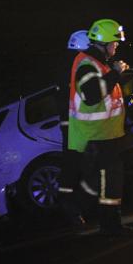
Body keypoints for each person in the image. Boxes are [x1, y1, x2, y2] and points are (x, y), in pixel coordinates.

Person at [69, 19, 133, 236]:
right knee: (107, 182)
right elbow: (91, 95)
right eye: (115, 43)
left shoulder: (99, 64)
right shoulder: (87, 64)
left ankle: (100, 220)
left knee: (106, 182)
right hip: (95, 136)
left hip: (106, 135)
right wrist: (114, 73)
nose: (117, 47)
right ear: (104, 43)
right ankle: (105, 224)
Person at [56, 30, 91, 225]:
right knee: (78, 168)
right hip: (77, 126)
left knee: (72, 167)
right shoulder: (79, 66)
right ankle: (73, 209)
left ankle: (72, 207)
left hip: (71, 124)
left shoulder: (67, 65)